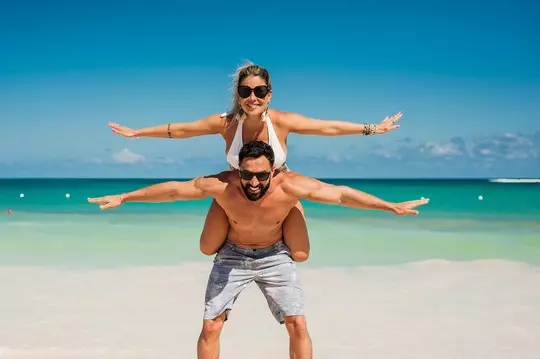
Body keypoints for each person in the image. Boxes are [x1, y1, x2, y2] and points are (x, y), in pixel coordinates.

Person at [88, 140, 428, 359]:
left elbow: (340, 195)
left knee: (297, 323)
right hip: (232, 254)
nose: (254, 183)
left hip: (275, 254)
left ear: (273, 170)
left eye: (261, 176)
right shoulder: (222, 184)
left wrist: (390, 206)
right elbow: (175, 190)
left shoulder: (290, 185)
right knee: (211, 326)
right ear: (238, 170)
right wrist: (125, 197)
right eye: (247, 175)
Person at [107, 62, 403, 262]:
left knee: (300, 255)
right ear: (238, 94)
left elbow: (329, 128)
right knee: (207, 248)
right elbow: (181, 130)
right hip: (235, 188)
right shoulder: (225, 124)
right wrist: (138, 133)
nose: (253, 97)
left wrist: (373, 128)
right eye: (245, 91)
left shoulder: (282, 121)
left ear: (269, 95)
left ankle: (277, 222)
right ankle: (240, 235)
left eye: (259, 91)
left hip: (278, 187)